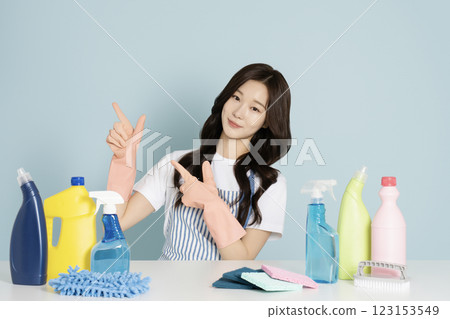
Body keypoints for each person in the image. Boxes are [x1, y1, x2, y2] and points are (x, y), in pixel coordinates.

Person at [106, 63, 292, 260]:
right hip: (168, 286)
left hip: (221, 290)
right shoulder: (176, 162)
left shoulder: (270, 183)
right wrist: (122, 161)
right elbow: (118, 222)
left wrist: (213, 205)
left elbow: (241, 260)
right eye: (236, 98)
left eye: (254, 108)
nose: (239, 112)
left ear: (267, 120)